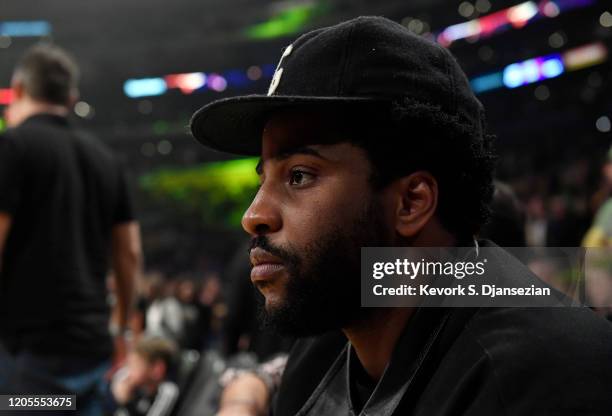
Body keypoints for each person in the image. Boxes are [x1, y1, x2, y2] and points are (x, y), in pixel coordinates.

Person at [191, 17, 612, 415]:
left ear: (411, 203)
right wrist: (250, 389)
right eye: (263, 178)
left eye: (299, 175)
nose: (254, 215)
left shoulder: (538, 382)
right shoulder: (342, 327)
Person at [0, 44, 142, 413]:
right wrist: (122, 329)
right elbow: (128, 254)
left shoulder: (11, 148)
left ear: (17, 90)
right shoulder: (107, 160)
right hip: (93, 350)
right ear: (71, 97)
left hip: (29, 354)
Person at [107, 336, 179, 416]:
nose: (128, 372)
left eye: (134, 365)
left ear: (157, 369)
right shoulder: (140, 390)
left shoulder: (168, 390)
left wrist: (127, 404)